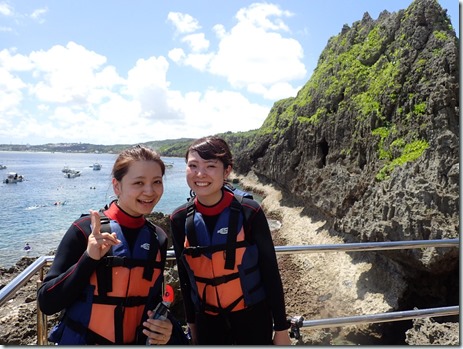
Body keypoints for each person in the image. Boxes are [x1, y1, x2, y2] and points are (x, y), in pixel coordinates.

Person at [37, 145, 176, 345]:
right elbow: (47, 302)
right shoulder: (84, 229)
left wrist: (164, 328)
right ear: (117, 186)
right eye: (138, 182)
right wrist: (89, 258)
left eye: (157, 182)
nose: (150, 191)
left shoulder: (159, 238)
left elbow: (151, 302)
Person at [170, 136, 292, 345]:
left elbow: (270, 271)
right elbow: (185, 277)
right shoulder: (179, 218)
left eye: (210, 166)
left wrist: (281, 328)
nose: (200, 174)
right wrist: (192, 324)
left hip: (253, 317)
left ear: (227, 171)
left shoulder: (249, 211)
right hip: (207, 322)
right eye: (193, 165)